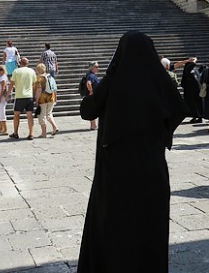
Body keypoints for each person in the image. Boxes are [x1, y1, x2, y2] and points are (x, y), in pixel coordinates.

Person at [78, 31, 187, 272]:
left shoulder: (114, 81)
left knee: (114, 227)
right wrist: (161, 133)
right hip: (151, 169)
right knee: (149, 227)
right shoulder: (159, 80)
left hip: (116, 172)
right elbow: (179, 109)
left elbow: (87, 111)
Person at [8, 57, 37, 140]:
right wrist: (34, 95)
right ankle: (31, 134)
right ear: (27, 63)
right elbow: (34, 84)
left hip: (20, 96)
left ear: (20, 63)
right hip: (29, 96)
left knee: (16, 115)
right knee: (29, 115)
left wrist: (8, 94)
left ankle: (15, 133)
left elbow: (11, 84)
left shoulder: (16, 71)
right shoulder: (32, 71)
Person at [34, 63, 58, 137]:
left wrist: (36, 100)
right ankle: (55, 127)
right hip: (51, 97)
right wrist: (55, 98)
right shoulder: (50, 76)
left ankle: (44, 133)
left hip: (43, 99)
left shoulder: (39, 79)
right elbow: (55, 88)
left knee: (42, 115)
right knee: (49, 114)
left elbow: (39, 90)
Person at [85, 61, 100, 130]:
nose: (98, 68)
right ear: (92, 67)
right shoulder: (91, 75)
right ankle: (93, 125)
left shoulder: (91, 75)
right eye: (96, 67)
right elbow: (88, 83)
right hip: (93, 95)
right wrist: (91, 91)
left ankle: (93, 125)